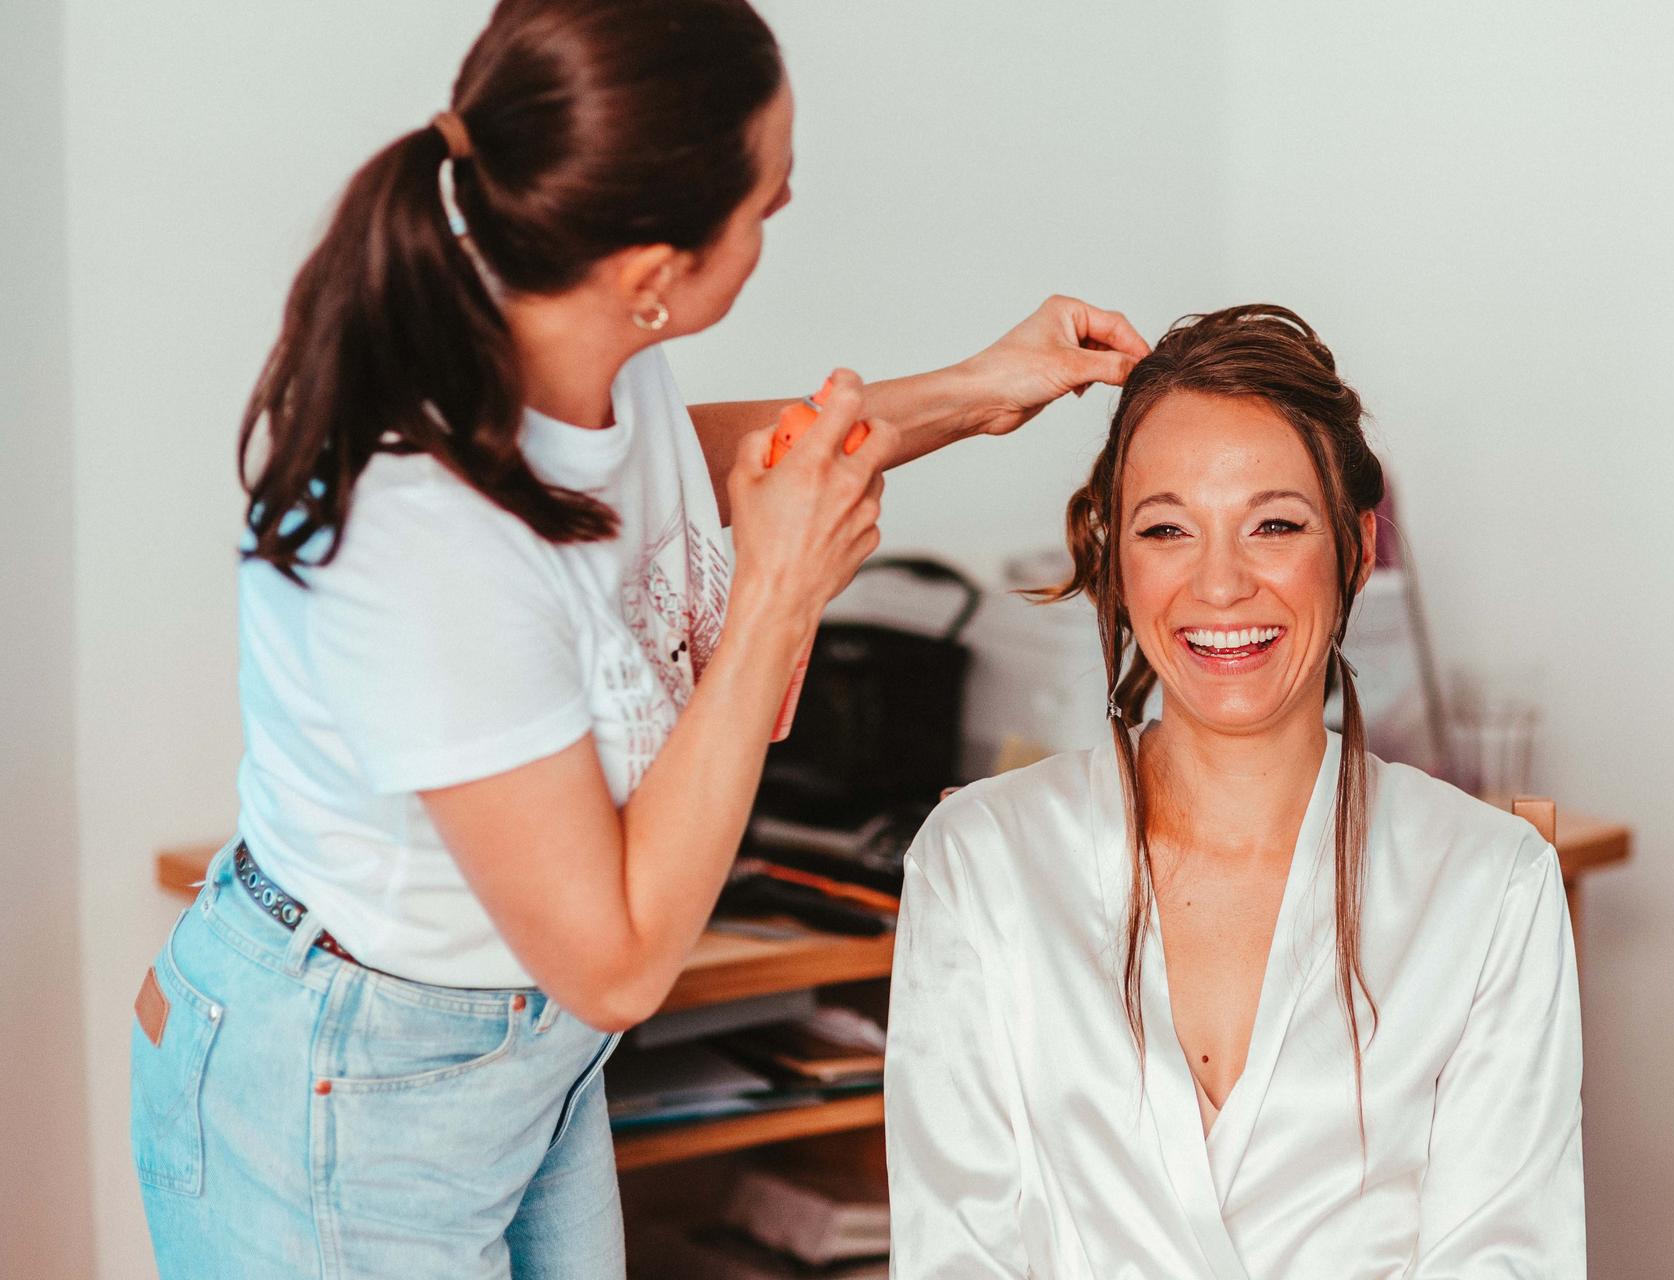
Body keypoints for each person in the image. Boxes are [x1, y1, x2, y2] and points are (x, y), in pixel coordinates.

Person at [126, 1, 1149, 1275]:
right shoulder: (424, 532)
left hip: (528, 1057)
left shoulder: (570, 330)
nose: (786, 208)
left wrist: (975, 390)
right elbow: (615, 963)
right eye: (768, 200)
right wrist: (780, 589)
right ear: (656, 270)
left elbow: (658, 469)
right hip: (344, 1086)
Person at [885, 305, 1585, 1277]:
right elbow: (955, 1253)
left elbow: (1504, 1259)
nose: (1219, 585)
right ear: (1115, 557)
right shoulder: (980, 862)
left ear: (1355, 548)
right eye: (1168, 528)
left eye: (1274, 525)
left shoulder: (1491, 883)